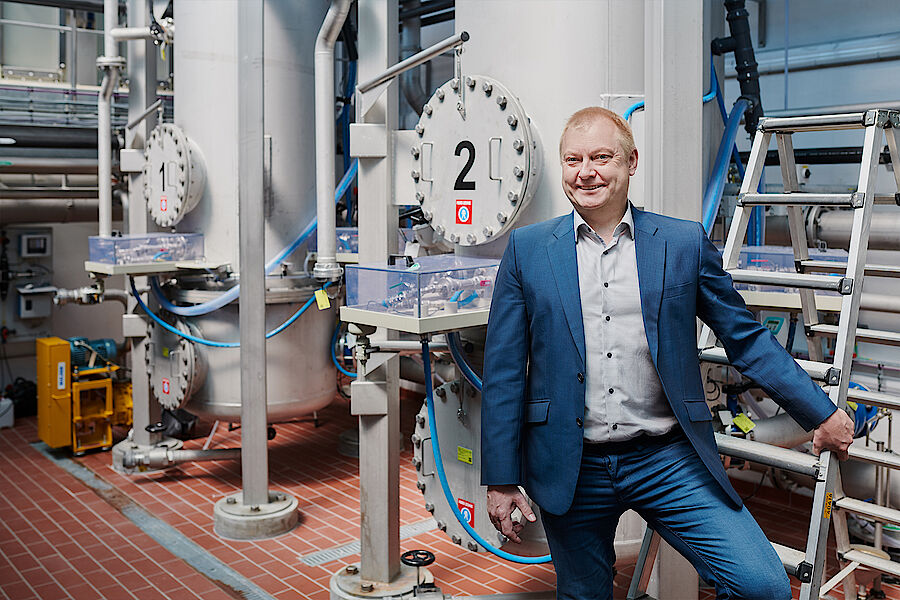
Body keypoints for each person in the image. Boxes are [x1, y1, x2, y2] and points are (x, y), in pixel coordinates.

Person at [481, 106, 854, 600]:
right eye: (573, 159)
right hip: (572, 464)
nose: (586, 171)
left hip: (667, 457)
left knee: (761, 586)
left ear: (631, 162)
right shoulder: (528, 249)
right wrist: (501, 478)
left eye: (601, 157)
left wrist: (818, 412)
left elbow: (744, 337)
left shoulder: (681, 244)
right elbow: (505, 369)